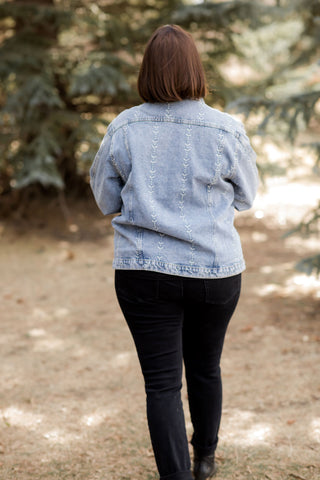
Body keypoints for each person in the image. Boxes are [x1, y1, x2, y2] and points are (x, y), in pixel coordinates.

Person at [90, 24, 259, 480]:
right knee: (206, 367)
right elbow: (247, 197)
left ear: (147, 72)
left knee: (162, 385)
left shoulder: (124, 126)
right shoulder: (228, 129)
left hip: (143, 271)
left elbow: (105, 200)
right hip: (216, 269)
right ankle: (205, 459)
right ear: (195, 70)